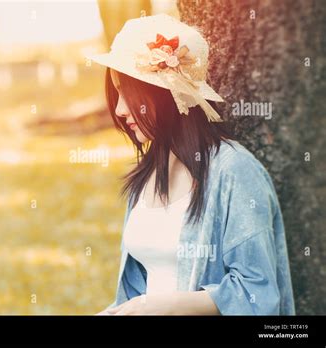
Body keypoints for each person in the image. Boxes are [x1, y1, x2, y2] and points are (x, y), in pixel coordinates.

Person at [86, 14, 295, 315]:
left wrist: (166, 306)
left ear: (165, 94)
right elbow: (144, 291)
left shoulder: (235, 171)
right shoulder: (148, 174)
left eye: (127, 93)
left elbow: (257, 292)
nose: (119, 109)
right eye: (116, 92)